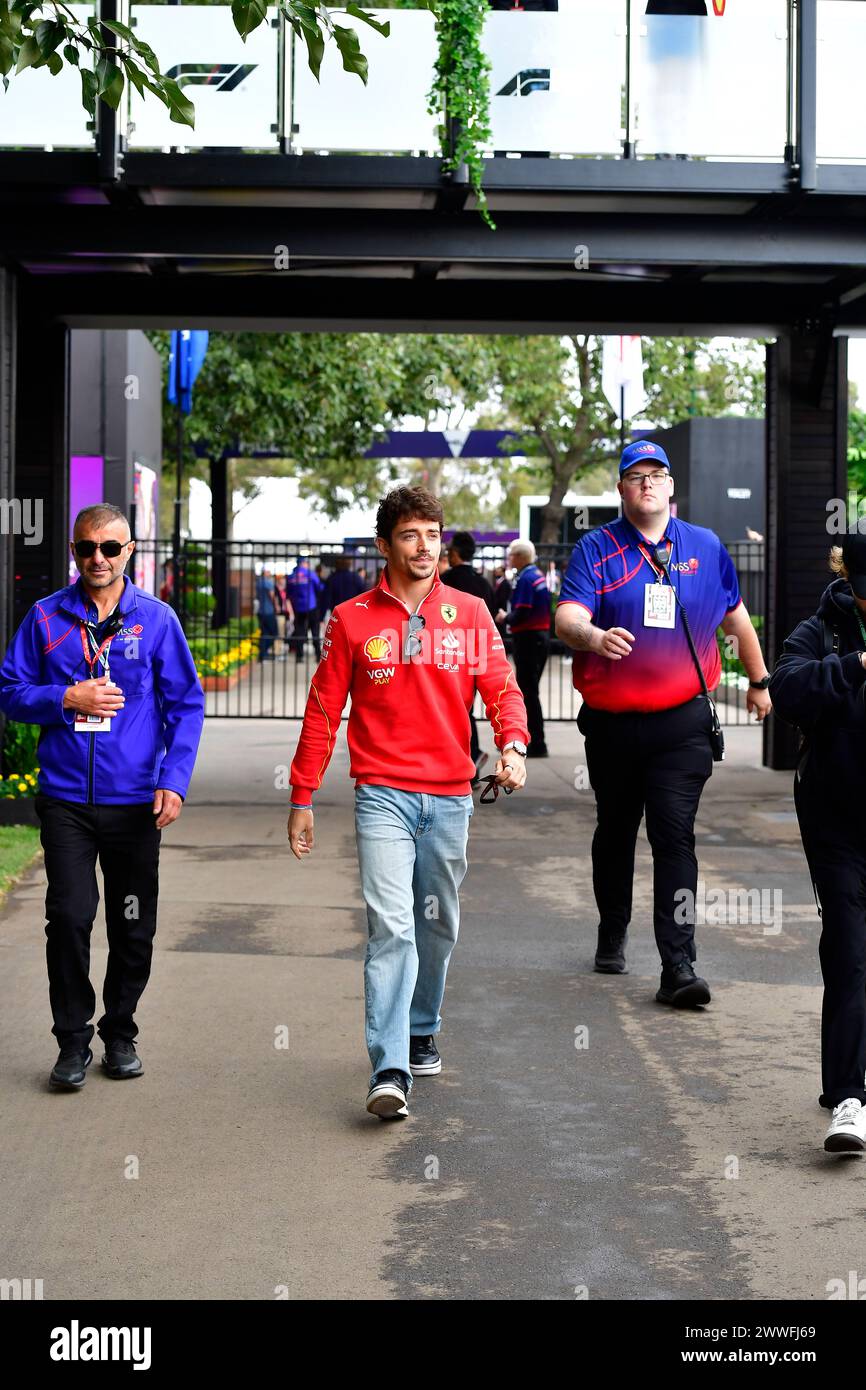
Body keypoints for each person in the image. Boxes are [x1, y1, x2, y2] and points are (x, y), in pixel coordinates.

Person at [287, 486, 530, 1120]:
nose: (423, 547)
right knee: (391, 928)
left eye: (432, 535)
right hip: (382, 796)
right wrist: (303, 793)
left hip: (451, 797)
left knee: (437, 924)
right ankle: (389, 1065)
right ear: (384, 545)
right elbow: (323, 712)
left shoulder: (471, 613)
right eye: (409, 535)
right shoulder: (351, 620)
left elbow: (502, 689)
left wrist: (513, 747)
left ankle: (422, 1026)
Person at [555, 439, 771, 1006]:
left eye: (657, 474)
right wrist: (595, 637)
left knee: (674, 835)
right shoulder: (596, 549)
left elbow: (736, 619)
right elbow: (567, 617)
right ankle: (612, 927)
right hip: (612, 726)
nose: (647, 483)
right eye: (635, 476)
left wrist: (759, 680)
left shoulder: (704, 547)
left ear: (672, 486)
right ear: (622, 489)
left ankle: (679, 964)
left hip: (681, 726)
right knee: (616, 830)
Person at [0, 503, 205, 1089]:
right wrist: (66, 698)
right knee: (68, 916)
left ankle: (120, 1032)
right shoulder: (45, 618)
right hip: (66, 798)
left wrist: (174, 778)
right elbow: (11, 691)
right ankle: (71, 1042)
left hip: (135, 800)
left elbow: (186, 705)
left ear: (129, 552)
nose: (97, 558)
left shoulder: (157, 620)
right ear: (74, 551)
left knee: (131, 922)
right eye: (86, 547)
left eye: (109, 548)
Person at [768, 534, 866, 1154]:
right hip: (837, 821)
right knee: (850, 950)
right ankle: (849, 1097)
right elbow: (786, 688)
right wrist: (856, 666)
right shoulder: (823, 628)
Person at [440, 531, 498, 782]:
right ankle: (470, 757)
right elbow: (493, 616)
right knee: (467, 708)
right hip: (478, 652)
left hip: (447, 653)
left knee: (450, 709)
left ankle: (465, 758)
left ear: (454, 554)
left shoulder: (445, 581)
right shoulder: (482, 582)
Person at [502, 540, 550, 758]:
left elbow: (521, 611)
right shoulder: (537, 575)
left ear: (519, 557)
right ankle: (535, 741)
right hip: (539, 639)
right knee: (531, 692)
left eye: (511, 555)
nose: (510, 558)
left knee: (528, 693)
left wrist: (505, 617)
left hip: (528, 639)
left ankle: (535, 743)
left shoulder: (525, 579)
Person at [286, 558, 323, 663]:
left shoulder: (291, 576)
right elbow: (319, 587)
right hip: (311, 606)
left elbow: (288, 594)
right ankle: (318, 655)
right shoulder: (310, 574)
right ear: (304, 563)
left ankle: (299, 656)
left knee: (300, 632)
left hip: (298, 608)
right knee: (315, 632)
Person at [256, 567, 277, 662]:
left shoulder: (258, 582)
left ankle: (263, 654)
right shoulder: (268, 583)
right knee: (274, 633)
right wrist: (277, 606)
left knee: (264, 633)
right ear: (265, 572)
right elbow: (272, 596)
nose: (270, 572)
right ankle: (263, 652)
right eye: (269, 571)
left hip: (260, 611)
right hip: (269, 611)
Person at [272, 573, 295, 661]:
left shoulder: (285, 590)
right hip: (280, 614)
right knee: (279, 633)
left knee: (285, 633)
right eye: (281, 579)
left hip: (286, 614)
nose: (283, 580)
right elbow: (276, 600)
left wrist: (291, 613)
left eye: (283, 579)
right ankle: (278, 653)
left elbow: (288, 601)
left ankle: (282, 651)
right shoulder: (276, 589)